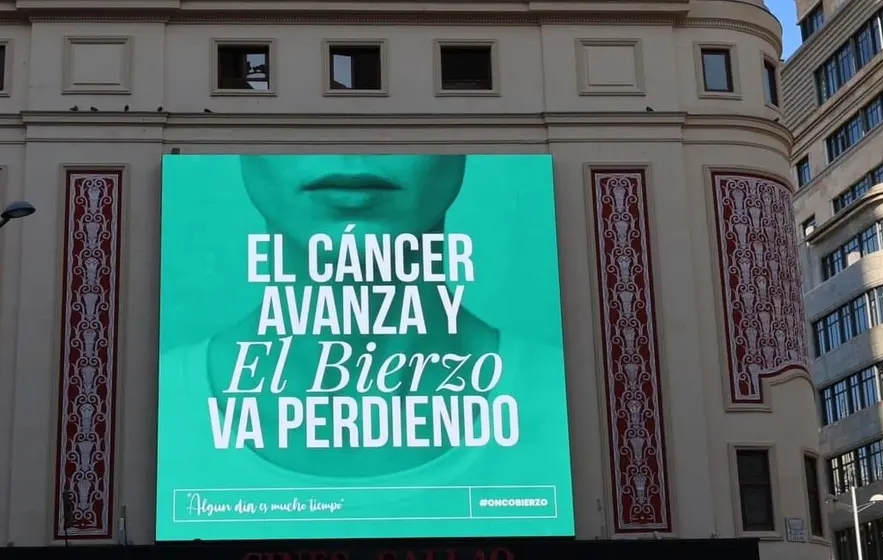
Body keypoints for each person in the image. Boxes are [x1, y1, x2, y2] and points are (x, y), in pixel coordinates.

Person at [156, 154, 572, 538]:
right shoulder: (153, 421)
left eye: (404, 105)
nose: (349, 137)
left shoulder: (573, 411)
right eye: (295, 106)